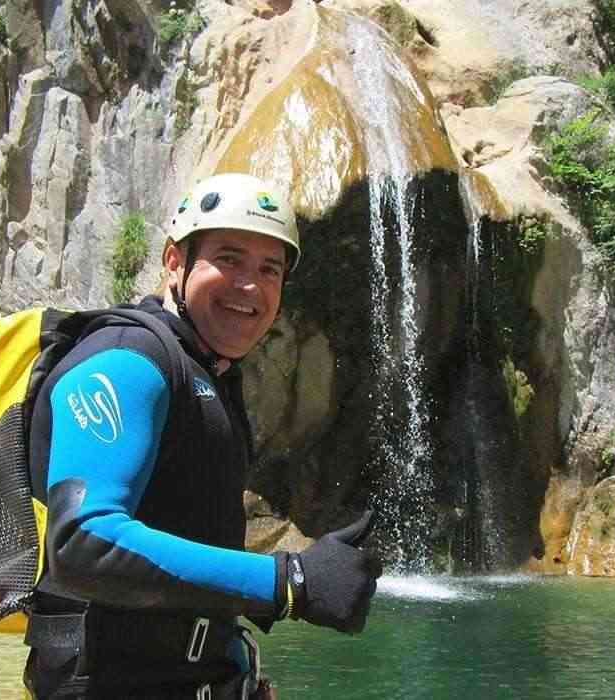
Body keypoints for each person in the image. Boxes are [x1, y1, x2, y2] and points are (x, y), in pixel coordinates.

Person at [22, 172, 383, 699]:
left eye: (269, 269)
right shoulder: (127, 360)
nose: (250, 286)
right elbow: (82, 543)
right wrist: (286, 584)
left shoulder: (206, 373)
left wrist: (236, 673)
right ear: (175, 261)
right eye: (229, 258)